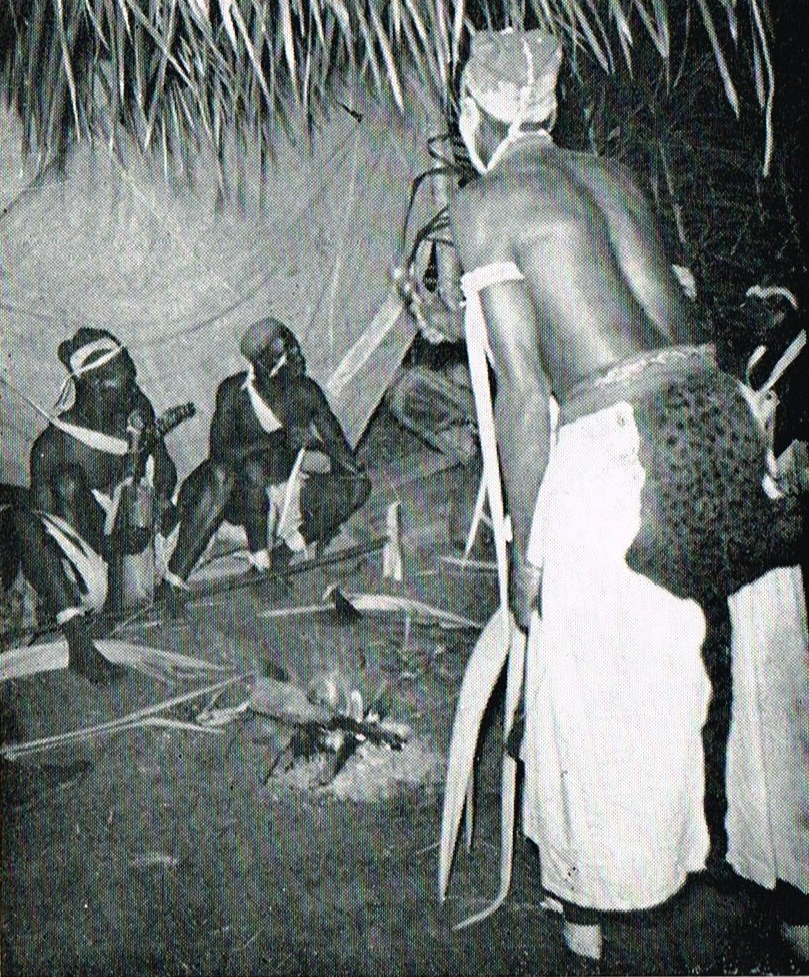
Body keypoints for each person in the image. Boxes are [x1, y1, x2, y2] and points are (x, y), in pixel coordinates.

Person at [440, 27, 808, 967]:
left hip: (617, 442)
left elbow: (524, 391)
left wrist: (528, 556)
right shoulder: (613, 175)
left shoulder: (481, 202)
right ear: (551, 107)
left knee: (590, 683)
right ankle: (793, 890)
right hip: (721, 413)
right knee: (761, 667)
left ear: (475, 114)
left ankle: (587, 915)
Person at [14, 327, 180, 683]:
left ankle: (165, 588)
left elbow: (167, 477)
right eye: (124, 375)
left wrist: (149, 451)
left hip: (147, 556)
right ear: (95, 384)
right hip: (99, 576)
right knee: (37, 506)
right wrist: (112, 543)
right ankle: (80, 645)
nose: (134, 381)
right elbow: (53, 543)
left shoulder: (136, 406)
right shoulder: (52, 447)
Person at [159, 317, 371, 595]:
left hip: (285, 501)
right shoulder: (233, 392)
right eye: (287, 352)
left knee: (358, 486)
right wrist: (277, 438)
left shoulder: (306, 392)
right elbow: (218, 456)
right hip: (240, 505)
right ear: (262, 363)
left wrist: (322, 446)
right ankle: (174, 584)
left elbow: (341, 454)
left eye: (295, 348)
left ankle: (283, 553)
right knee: (247, 472)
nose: (298, 357)